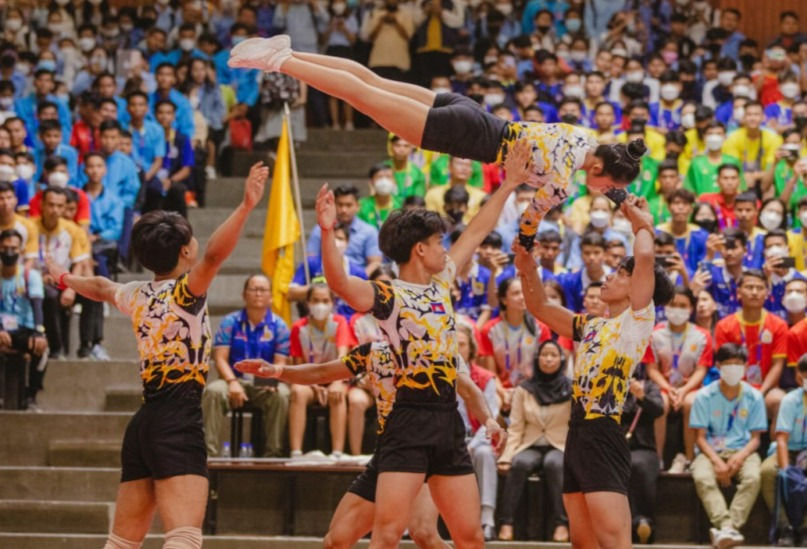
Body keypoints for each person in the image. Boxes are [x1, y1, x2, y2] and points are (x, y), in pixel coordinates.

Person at [305, 138, 533, 547]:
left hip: (448, 418)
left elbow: (480, 227)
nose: (447, 250)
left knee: (469, 538)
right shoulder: (387, 295)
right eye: (440, 243)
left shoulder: (443, 282)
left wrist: (510, 182)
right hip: (406, 420)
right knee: (389, 533)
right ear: (420, 248)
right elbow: (339, 283)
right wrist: (326, 232)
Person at [229, 36, 646, 251]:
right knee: (362, 97)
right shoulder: (560, 183)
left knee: (372, 82)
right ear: (596, 172)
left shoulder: (584, 135)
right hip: (464, 136)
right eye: (606, 185)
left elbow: (613, 164)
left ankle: (289, 52)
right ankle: (278, 62)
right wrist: (528, 241)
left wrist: (620, 194)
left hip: (474, 112)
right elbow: (529, 221)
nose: (602, 191)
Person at [44, 162, 268, 549]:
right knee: (183, 537)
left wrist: (63, 277)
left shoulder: (136, 294)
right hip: (179, 418)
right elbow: (214, 256)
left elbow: (99, 286)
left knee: (122, 542)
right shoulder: (185, 292)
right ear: (185, 251)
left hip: (144, 424)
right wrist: (246, 206)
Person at [235, 337, 504, 549]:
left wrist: (490, 421)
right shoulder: (375, 353)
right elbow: (321, 372)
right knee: (335, 541)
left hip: (426, 449)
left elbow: (469, 390)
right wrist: (278, 370)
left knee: (423, 533)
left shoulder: (439, 349)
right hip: (390, 453)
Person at [514, 193, 674, 549]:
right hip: (576, 433)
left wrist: (640, 221)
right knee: (582, 543)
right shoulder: (590, 325)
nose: (609, 276)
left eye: (619, 272)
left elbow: (645, 256)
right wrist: (527, 265)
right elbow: (539, 305)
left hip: (604, 433)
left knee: (613, 541)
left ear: (637, 286)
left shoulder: (637, 319)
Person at [201, 274, 291, 458]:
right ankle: (207, 456)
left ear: (271, 296)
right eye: (253, 289)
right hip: (233, 379)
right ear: (244, 295)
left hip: (263, 380)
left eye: (263, 290)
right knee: (213, 391)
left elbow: (280, 363)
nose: (258, 293)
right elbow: (220, 359)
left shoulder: (279, 326)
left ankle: (272, 454)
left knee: (281, 394)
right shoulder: (230, 322)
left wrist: (270, 378)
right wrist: (232, 382)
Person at [689, 343, 766, 549]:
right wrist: (716, 461)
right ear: (718, 366)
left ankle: (728, 528)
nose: (733, 368)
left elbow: (756, 438)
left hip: (743, 449)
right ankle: (726, 525)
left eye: (738, 364)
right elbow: (700, 437)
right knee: (702, 477)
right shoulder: (705, 396)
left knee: (753, 477)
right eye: (728, 364)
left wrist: (740, 457)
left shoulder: (754, 396)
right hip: (710, 451)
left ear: (746, 366)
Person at [497, 339, 571, 543]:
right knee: (519, 463)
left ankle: (562, 524)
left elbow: (576, 427)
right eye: (544, 355)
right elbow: (516, 426)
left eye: (553, 355)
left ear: (561, 359)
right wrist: (507, 456)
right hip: (531, 443)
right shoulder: (524, 389)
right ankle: (507, 523)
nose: (548, 359)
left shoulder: (572, 390)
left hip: (559, 445)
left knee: (554, 465)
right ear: (537, 359)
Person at [644, 286, 712, 472]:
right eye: (674, 305)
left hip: (691, 387)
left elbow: (701, 369)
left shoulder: (702, 335)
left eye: (683, 305)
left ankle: (690, 459)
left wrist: (683, 390)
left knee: (690, 403)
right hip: (663, 386)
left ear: (691, 309)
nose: (678, 309)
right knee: (661, 404)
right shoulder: (654, 334)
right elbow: (651, 369)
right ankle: (658, 459)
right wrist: (669, 388)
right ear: (666, 306)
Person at [288, 282, 354, 458]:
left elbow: (343, 357)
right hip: (310, 381)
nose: (320, 305)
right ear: (307, 303)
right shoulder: (298, 327)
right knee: (297, 391)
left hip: (335, 378)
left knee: (338, 394)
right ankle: (296, 453)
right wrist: (315, 386)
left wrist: (338, 382)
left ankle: (337, 453)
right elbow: (298, 365)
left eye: (325, 300)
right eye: (315, 300)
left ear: (332, 303)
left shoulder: (340, 323)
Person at [714, 269, 788, 424]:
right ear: (739, 292)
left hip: (766, 388)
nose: (754, 292)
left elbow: (777, 365)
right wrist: (743, 391)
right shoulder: (724, 326)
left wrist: (760, 392)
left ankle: (774, 447)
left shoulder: (779, 325)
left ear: (767, 293)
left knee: (779, 399)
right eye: (749, 287)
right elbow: (724, 365)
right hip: (733, 385)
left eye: (760, 288)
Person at [454, 322, 500, 541]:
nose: (457, 349)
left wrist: (472, 444)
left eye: (461, 344)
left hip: (478, 439)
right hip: (449, 440)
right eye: (452, 345)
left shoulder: (485, 377)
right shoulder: (439, 375)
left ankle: (487, 519)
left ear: (471, 348)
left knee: (483, 453)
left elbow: (491, 416)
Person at [35, 187, 89, 360]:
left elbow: (79, 262)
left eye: (60, 206)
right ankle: (57, 349)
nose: (55, 210)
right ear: (42, 205)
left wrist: (71, 288)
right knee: (50, 296)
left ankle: (89, 346)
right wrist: (39, 277)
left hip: (64, 280)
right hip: (37, 280)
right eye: (51, 205)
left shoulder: (72, 229)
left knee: (92, 296)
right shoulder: (30, 226)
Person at [760, 353, 807, 545]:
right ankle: (785, 526)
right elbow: (781, 439)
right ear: (798, 377)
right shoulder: (790, 400)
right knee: (768, 472)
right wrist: (787, 470)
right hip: (789, 449)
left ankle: (804, 527)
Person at [0, 228, 47, 410]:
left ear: (21, 250)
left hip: (23, 329)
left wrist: (39, 332)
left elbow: (37, 306)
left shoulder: (30, 275)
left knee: (43, 349)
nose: (9, 252)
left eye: (14, 248)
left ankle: (31, 395)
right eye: (5, 247)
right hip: (2, 329)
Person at [621, 364, 664, 544]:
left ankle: (642, 523)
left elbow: (658, 410)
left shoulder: (649, 387)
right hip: (614, 447)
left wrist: (642, 397)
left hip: (643, 448)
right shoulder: (607, 386)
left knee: (637, 465)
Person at [307, 184, 382, 273]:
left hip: (358, 281)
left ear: (358, 206)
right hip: (325, 279)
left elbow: (375, 262)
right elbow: (310, 260)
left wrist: (360, 278)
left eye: (348, 205)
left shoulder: (369, 231)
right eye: (340, 204)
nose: (344, 210)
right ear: (333, 205)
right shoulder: (320, 230)